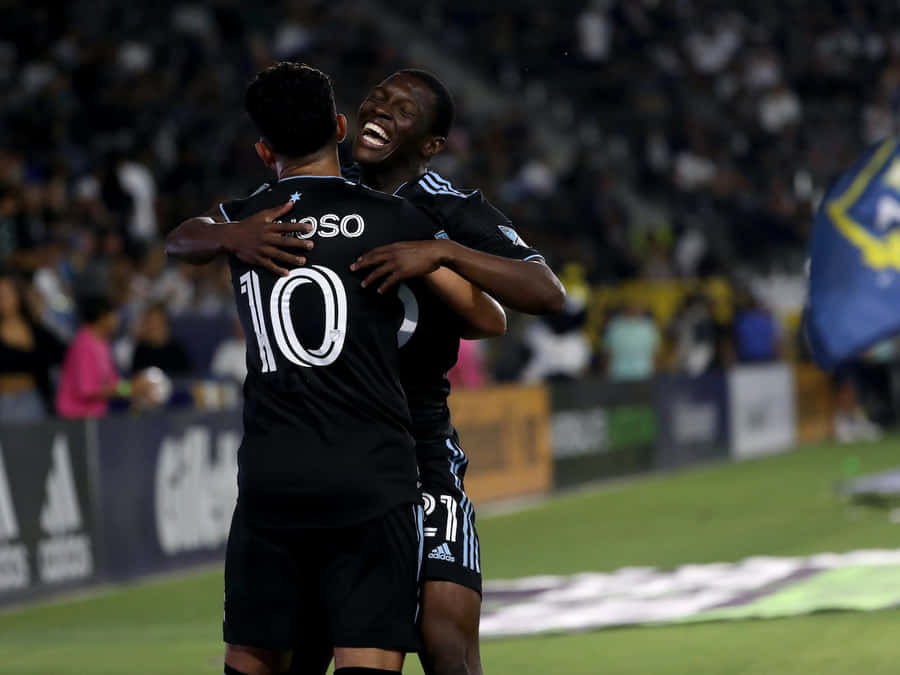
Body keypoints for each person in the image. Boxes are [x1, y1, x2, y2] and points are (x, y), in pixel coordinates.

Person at [213, 69, 565, 675]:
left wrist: (443, 251)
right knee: (303, 647)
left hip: (418, 444)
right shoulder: (319, 189)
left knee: (445, 638)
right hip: (334, 444)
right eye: (376, 99)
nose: (380, 111)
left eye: (402, 110)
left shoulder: (450, 208)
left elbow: (543, 292)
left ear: (431, 144)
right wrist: (230, 235)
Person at [56, 294, 153, 419]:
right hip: (76, 418)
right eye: (114, 314)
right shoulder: (84, 345)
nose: (117, 319)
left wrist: (131, 388)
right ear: (103, 317)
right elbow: (87, 390)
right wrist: (131, 388)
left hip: (94, 416)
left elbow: (113, 383)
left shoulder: (102, 343)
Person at [0, 271, 65, 422]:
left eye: (7, 294)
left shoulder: (36, 330)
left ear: (18, 295)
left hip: (30, 398)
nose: (3, 300)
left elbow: (59, 353)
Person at [131, 303, 192, 376]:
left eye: (158, 322)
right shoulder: (141, 350)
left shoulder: (177, 350)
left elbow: (187, 377)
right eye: (150, 322)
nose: (154, 327)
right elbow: (134, 377)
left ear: (166, 324)